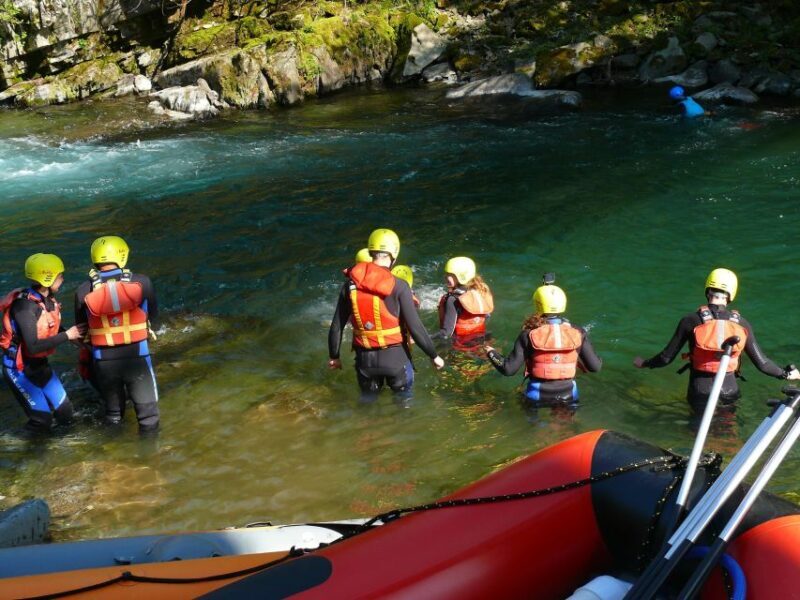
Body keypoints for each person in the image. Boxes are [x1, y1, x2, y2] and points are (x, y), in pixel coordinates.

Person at [634, 268, 800, 413]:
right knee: (726, 432)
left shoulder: (690, 320)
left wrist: (645, 363)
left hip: (700, 389)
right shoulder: (742, 324)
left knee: (697, 430)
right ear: (731, 294)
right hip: (729, 390)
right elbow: (763, 364)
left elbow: (665, 358)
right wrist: (785, 374)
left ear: (708, 291)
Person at [329, 229, 444, 401]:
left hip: (365, 361)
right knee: (403, 402)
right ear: (394, 256)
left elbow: (337, 326)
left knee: (367, 402)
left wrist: (334, 356)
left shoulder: (350, 286)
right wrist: (434, 355)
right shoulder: (400, 285)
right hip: (396, 359)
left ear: (370, 253)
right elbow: (415, 327)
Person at [74, 236, 160, 433]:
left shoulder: (82, 290)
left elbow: (81, 329)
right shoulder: (142, 282)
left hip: (103, 362)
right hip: (138, 357)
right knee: (148, 417)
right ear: (122, 255)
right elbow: (153, 316)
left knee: (113, 415)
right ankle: (149, 451)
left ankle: (112, 449)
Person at [0, 254, 85, 431]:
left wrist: (75, 339)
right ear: (47, 279)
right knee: (42, 421)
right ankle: (16, 444)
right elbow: (32, 346)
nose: (63, 279)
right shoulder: (25, 307)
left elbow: (49, 325)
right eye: (60, 276)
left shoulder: (47, 299)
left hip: (39, 366)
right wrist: (67, 335)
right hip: (18, 370)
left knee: (65, 413)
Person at [485, 280, 601, 405]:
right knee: (564, 417)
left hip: (536, 397)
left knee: (527, 411)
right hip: (569, 396)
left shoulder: (528, 334)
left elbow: (508, 369)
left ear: (537, 304)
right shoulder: (578, 333)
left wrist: (491, 353)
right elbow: (595, 367)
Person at [435, 257, 494, 349]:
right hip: (483, 341)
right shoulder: (480, 291)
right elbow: (486, 316)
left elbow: (446, 334)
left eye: (449, 274)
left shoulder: (452, 299)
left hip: (461, 345)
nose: (445, 276)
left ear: (461, 276)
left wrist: (424, 337)